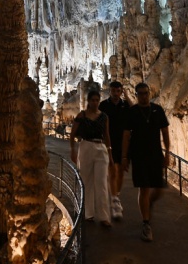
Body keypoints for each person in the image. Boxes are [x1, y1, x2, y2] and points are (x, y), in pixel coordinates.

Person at [121, 82, 171, 242]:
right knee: (144, 188)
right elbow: (126, 135)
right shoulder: (133, 112)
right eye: (140, 93)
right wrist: (124, 157)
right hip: (139, 155)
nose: (143, 96)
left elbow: (165, 132)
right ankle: (146, 223)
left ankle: (147, 204)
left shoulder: (157, 110)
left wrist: (167, 153)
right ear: (136, 95)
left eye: (146, 93)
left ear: (149, 93)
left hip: (156, 153)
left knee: (159, 188)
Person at [70, 90, 113, 227]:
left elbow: (106, 135)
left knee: (102, 183)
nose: (95, 102)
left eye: (97, 100)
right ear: (88, 101)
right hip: (86, 146)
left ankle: (104, 217)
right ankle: (88, 213)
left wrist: (110, 154)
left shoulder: (104, 117)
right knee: (86, 180)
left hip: (100, 148)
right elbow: (72, 134)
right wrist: (73, 150)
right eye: (92, 100)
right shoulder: (81, 116)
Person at [99, 80, 129, 220]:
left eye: (118, 91)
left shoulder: (125, 105)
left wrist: (127, 96)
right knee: (112, 169)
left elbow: (134, 112)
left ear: (121, 91)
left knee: (121, 170)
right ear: (109, 91)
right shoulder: (104, 105)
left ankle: (116, 194)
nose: (116, 93)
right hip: (108, 141)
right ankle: (114, 199)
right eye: (113, 91)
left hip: (123, 142)